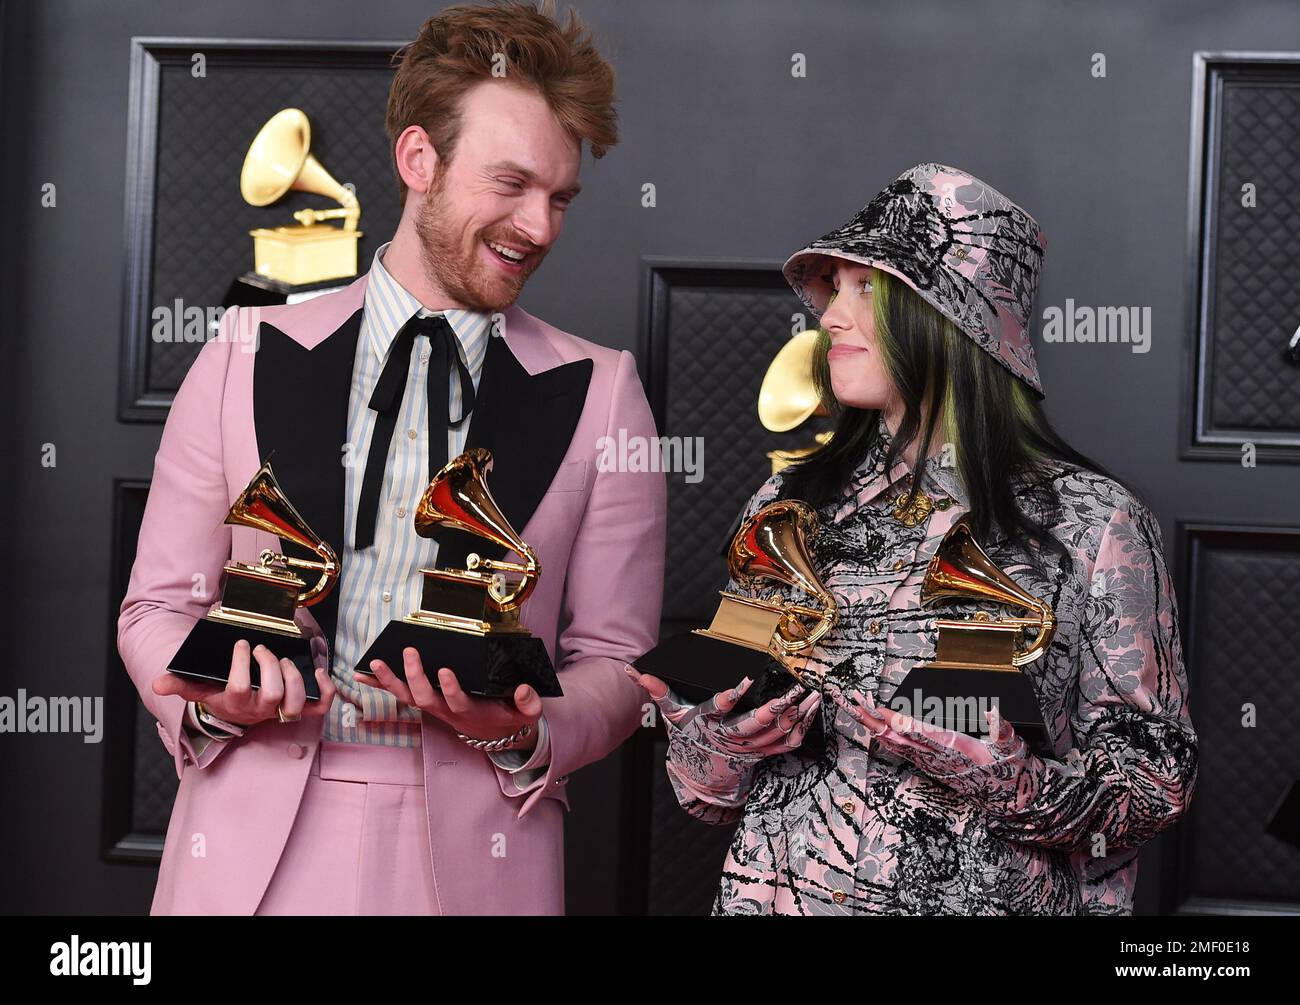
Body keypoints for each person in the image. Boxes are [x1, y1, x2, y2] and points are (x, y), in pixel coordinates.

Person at [118, 1, 665, 915]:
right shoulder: (243, 351)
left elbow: (614, 658)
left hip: (481, 855)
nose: (540, 226)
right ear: (420, 161)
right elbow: (156, 607)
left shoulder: (606, 391)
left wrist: (528, 729)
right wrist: (217, 702)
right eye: (512, 183)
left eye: (561, 196)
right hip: (248, 849)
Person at [628, 162, 1197, 915]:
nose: (829, 315)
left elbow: (1155, 786)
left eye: (867, 289)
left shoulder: (1094, 523)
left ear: (950, 317)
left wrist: (1008, 780)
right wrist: (724, 741)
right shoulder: (786, 507)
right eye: (834, 287)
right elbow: (703, 792)